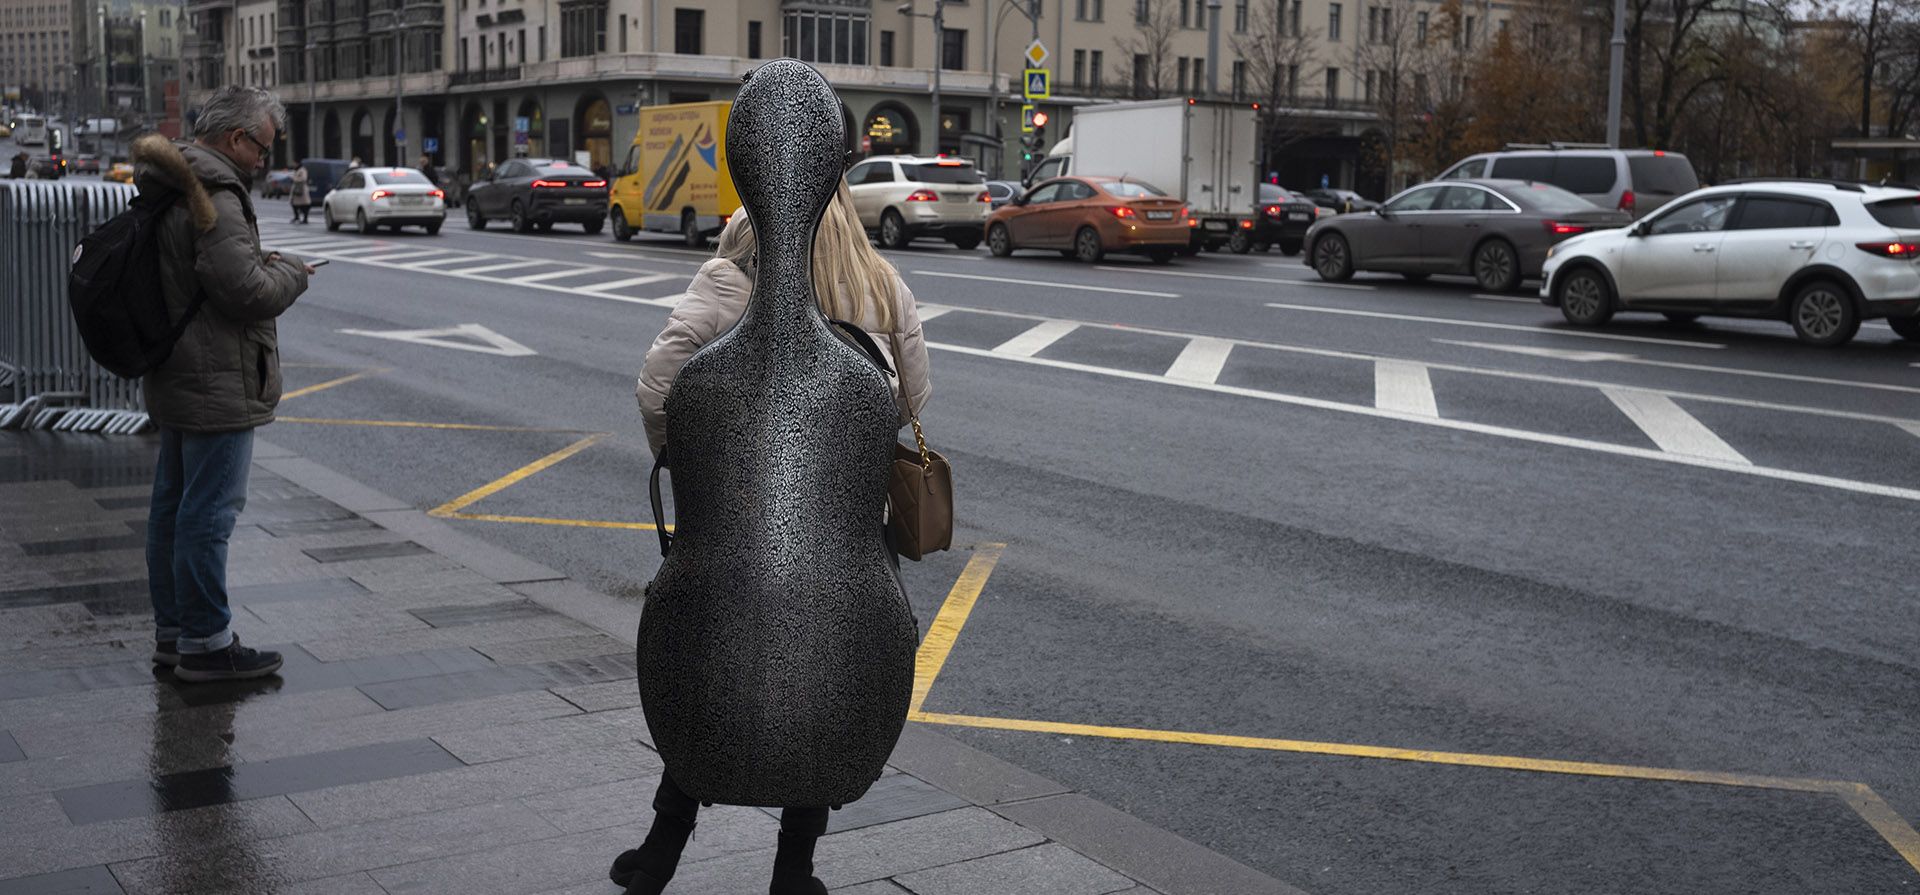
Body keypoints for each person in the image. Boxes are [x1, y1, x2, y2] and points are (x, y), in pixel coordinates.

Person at [620, 179, 930, 895]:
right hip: (847, 531)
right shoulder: (880, 286)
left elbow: (655, 387)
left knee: (710, 668)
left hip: (735, 521)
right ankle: (794, 871)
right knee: (826, 678)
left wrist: (698, 468)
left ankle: (660, 853)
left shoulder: (731, 277)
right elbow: (912, 401)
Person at [131, 85, 311, 682]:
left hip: (179, 369)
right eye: (263, 147)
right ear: (236, 139)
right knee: (208, 515)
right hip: (217, 376)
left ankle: (174, 634)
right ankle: (208, 645)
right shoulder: (216, 190)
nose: (266, 160)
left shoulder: (174, 176)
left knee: (173, 508)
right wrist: (290, 272)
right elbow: (245, 292)